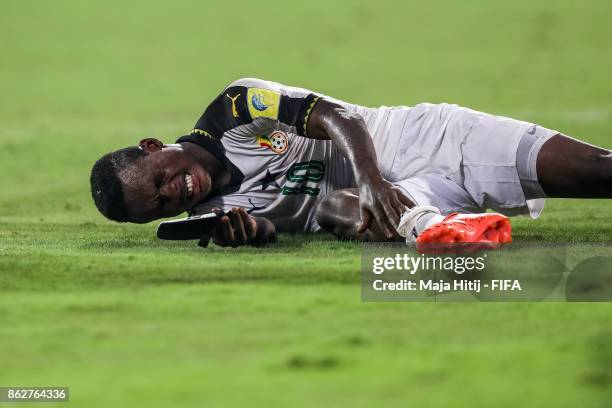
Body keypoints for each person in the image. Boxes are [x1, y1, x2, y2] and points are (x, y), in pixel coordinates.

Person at [90, 78, 612, 248]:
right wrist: (251, 235)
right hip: (374, 207)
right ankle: (441, 231)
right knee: (336, 209)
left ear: (155, 146)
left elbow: (337, 118)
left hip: (421, 139)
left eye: (159, 180)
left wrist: (374, 180)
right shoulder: (207, 217)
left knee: (596, 171)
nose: (173, 194)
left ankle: (429, 222)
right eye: (157, 206)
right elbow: (274, 228)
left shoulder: (237, 106)